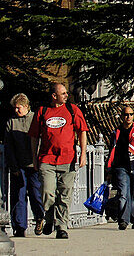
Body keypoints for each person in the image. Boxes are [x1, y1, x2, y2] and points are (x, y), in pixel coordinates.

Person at [29, 82, 88, 240]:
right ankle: (49, 218)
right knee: (47, 191)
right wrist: (34, 158)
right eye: (63, 93)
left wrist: (83, 154)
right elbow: (34, 137)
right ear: (54, 96)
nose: (66, 95)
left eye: (66, 93)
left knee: (64, 194)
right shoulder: (42, 111)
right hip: (47, 159)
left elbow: (82, 131)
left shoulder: (72, 110)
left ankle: (61, 226)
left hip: (67, 159)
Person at [4, 93, 44, 238]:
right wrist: (13, 166)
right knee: (19, 196)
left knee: (35, 193)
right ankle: (20, 226)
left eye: (18, 108)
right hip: (19, 164)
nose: (16, 110)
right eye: (14, 108)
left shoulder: (35, 119)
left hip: (34, 164)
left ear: (26, 106)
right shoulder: (11, 122)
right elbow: (8, 146)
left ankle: (39, 216)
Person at [106, 105, 134, 230]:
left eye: (131, 114)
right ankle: (123, 220)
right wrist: (109, 170)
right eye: (126, 114)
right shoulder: (116, 132)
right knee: (123, 194)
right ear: (122, 116)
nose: (128, 117)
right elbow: (111, 152)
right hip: (121, 167)